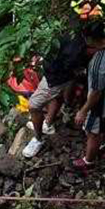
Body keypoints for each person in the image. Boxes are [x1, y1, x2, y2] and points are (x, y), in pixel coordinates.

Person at [23, 27, 92, 158]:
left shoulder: (76, 42)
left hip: (56, 77)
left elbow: (69, 62)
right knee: (58, 96)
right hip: (63, 76)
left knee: (33, 106)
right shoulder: (73, 32)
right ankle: (48, 123)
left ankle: (38, 139)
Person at [72, 20, 105, 172]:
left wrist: (83, 110)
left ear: (90, 40)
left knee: (93, 131)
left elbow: (97, 93)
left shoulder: (100, 63)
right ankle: (103, 145)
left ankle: (88, 162)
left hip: (101, 104)